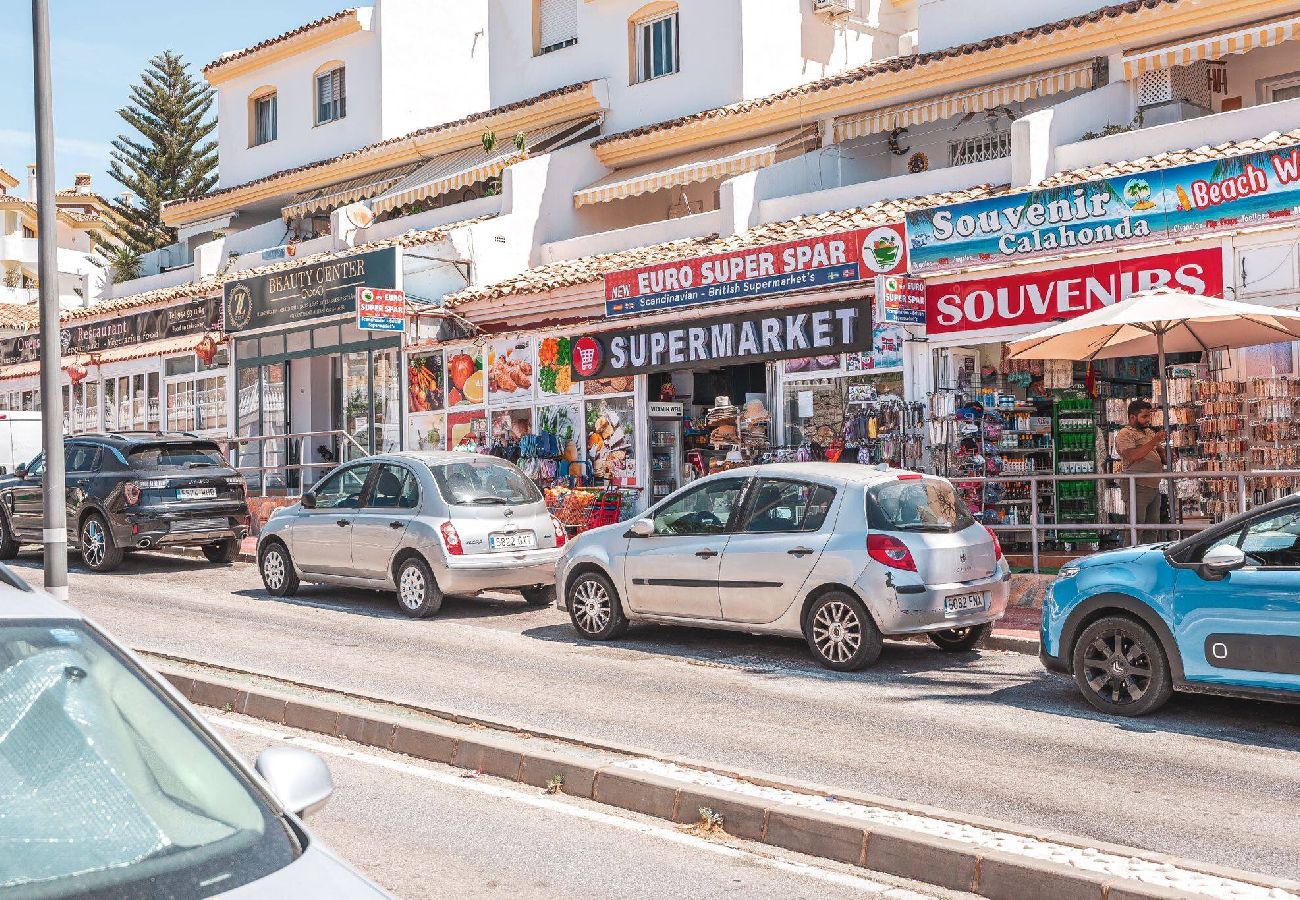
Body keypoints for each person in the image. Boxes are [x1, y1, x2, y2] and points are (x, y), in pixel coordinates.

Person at [1114, 399, 1167, 541]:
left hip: (1153, 485)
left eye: (1149, 416)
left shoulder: (1148, 432)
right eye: (1144, 417)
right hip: (1136, 485)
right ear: (1132, 417)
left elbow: (1162, 458)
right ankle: (1129, 555)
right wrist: (1154, 442)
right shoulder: (1125, 434)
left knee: (1153, 527)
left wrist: (1163, 453)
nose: (1148, 420)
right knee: (1136, 525)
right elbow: (1132, 455)